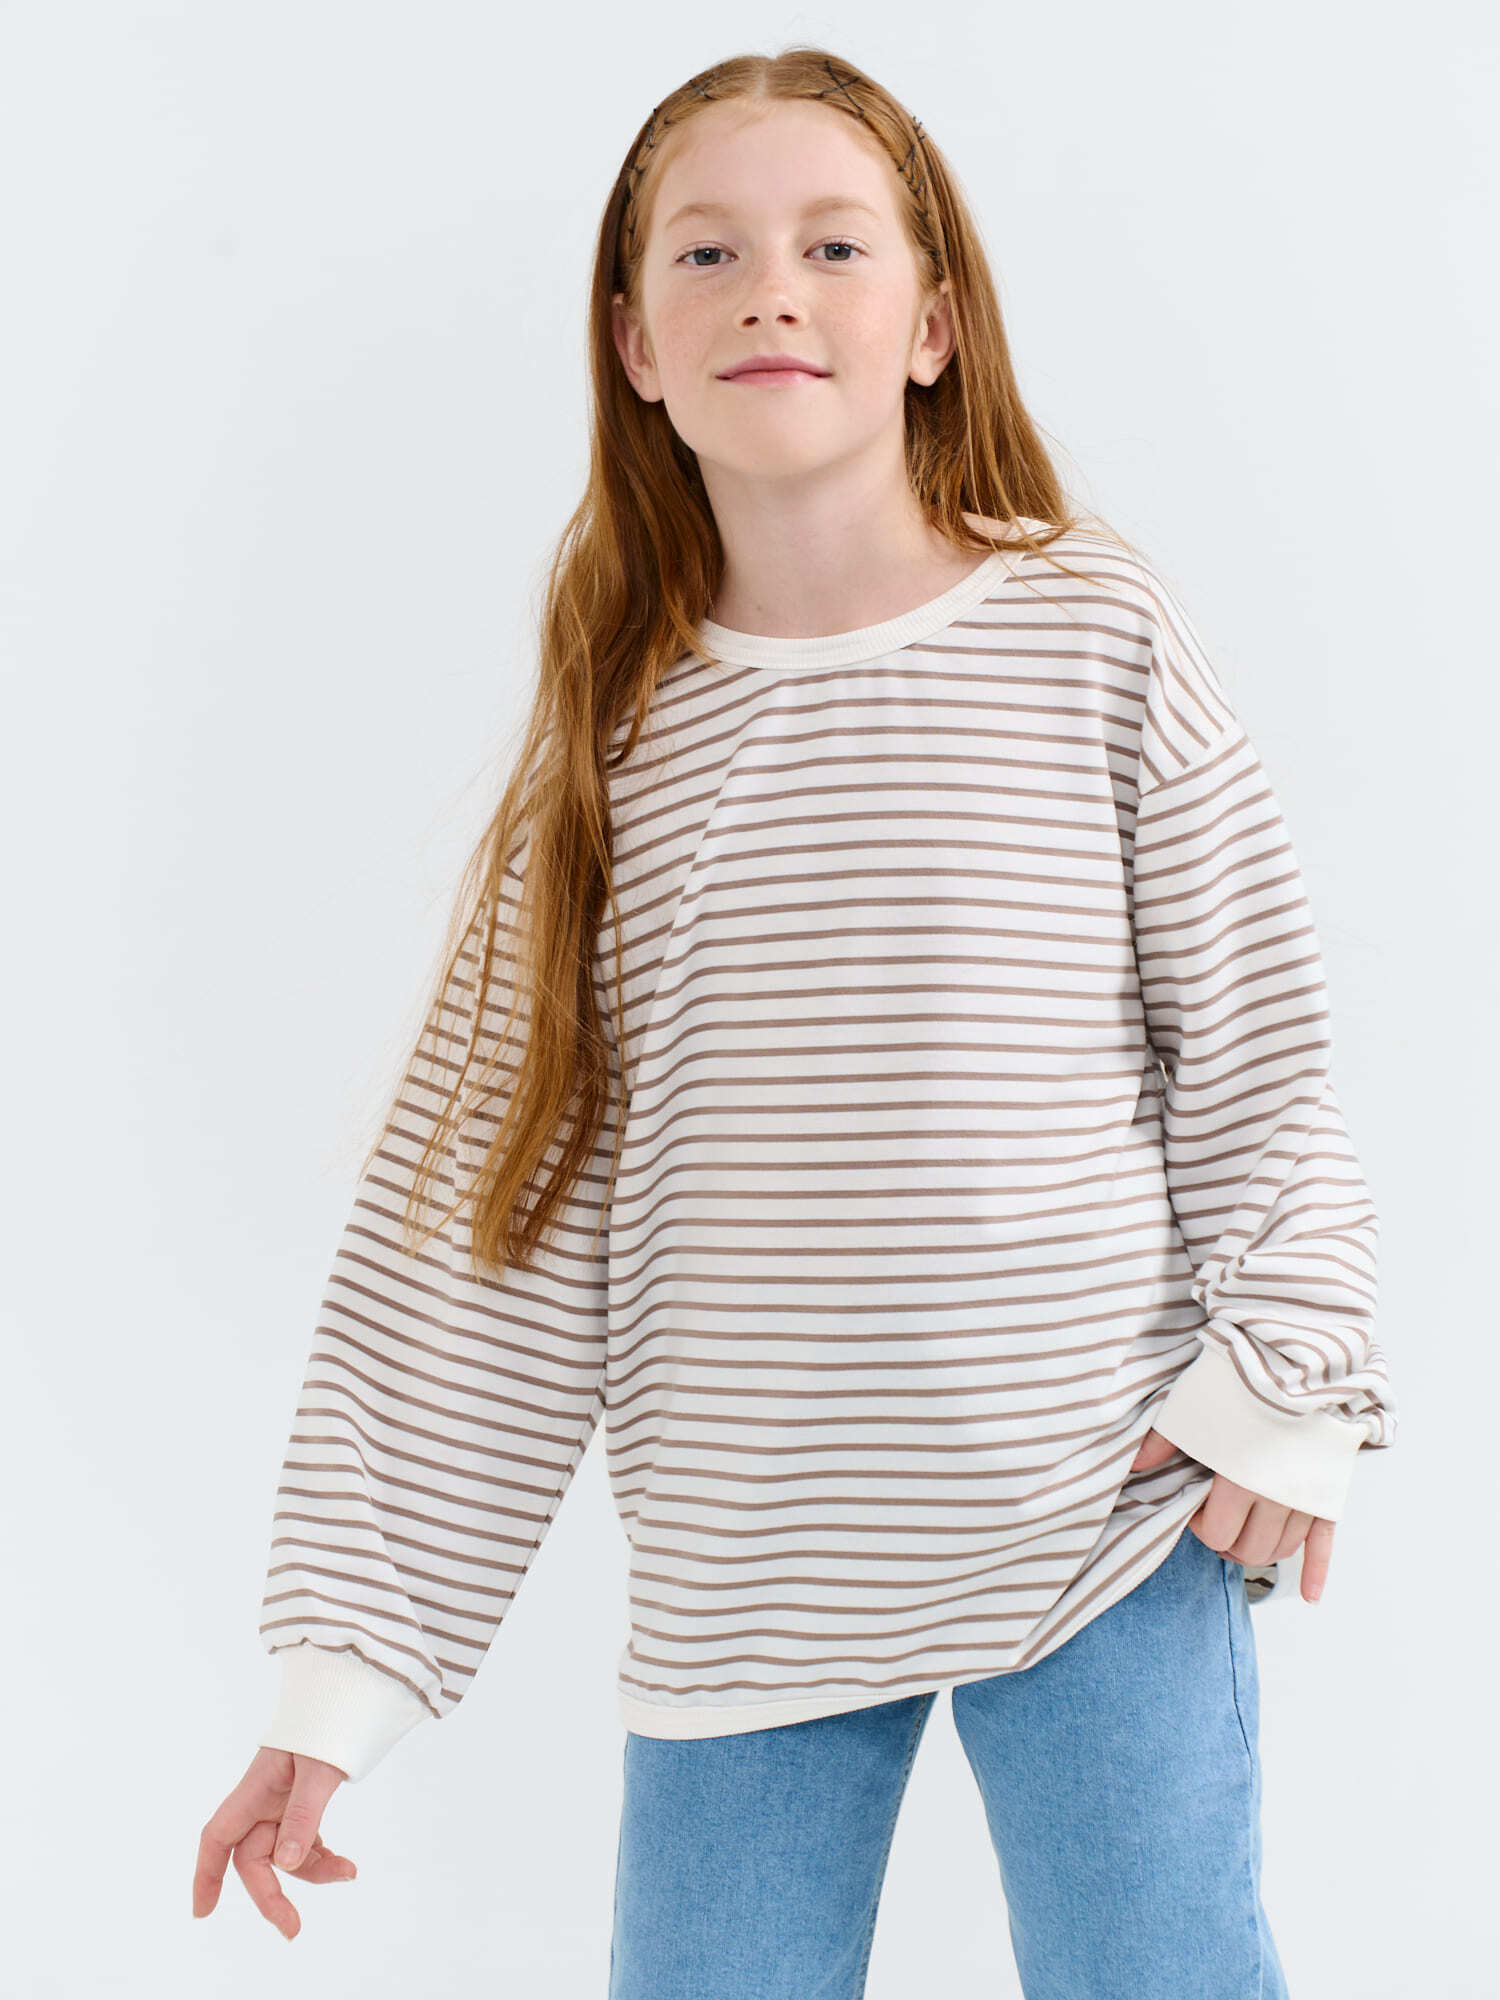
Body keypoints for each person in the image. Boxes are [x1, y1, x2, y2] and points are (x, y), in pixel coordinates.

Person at [191, 45, 1397, 1997]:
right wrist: (341, 1680)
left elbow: (1257, 1037)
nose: (771, 289)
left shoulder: (1094, 633)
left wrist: (1292, 1383)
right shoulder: (612, 753)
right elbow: (481, 1239)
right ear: (634, 345)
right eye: (709, 253)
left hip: (1103, 1510)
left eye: (834, 245)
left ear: (932, 323)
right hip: (749, 1575)